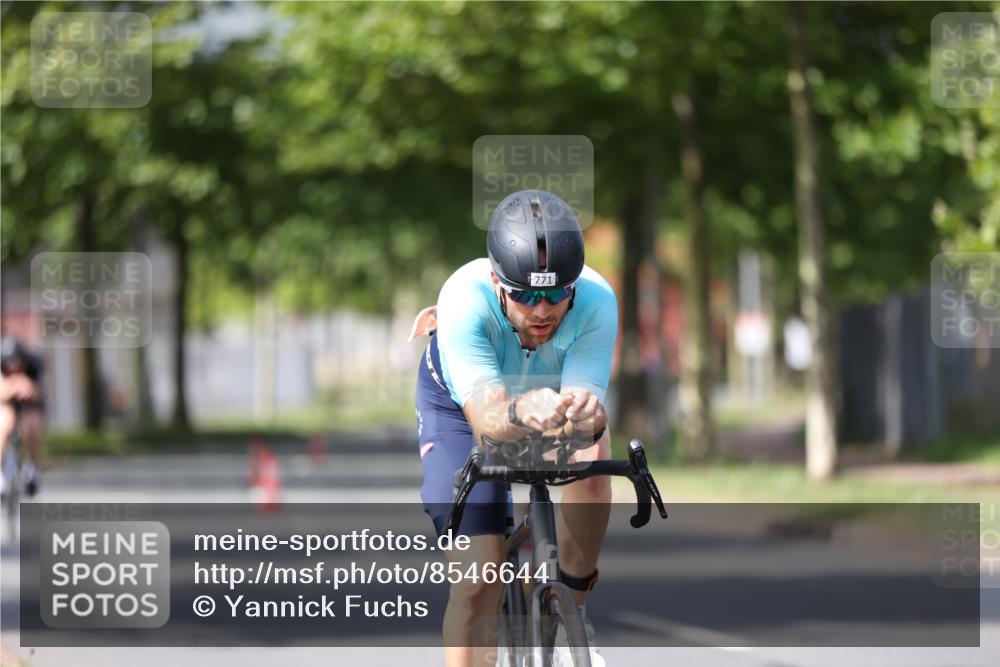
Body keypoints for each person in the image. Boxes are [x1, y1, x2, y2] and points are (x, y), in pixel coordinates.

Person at [413, 190, 618, 667]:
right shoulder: (464, 298)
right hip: (462, 410)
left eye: (556, 294)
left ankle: (571, 621)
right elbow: (486, 422)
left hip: (541, 399)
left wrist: (591, 417)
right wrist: (518, 411)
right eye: (526, 295)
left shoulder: (597, 300)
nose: (543, 310)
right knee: (479, 581)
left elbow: (588, 409)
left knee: (596, 452)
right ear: (496, 282)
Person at [0, 335, 46, 496]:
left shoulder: (35, 363)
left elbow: (40, 391)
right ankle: (1, 474)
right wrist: (10, 388)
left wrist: (30, 388)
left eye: (17, 363)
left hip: (29, 406)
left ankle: (31, 468)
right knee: (4, 423)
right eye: (9, 365)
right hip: (5, 405)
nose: (13, 368)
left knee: (32, 423)